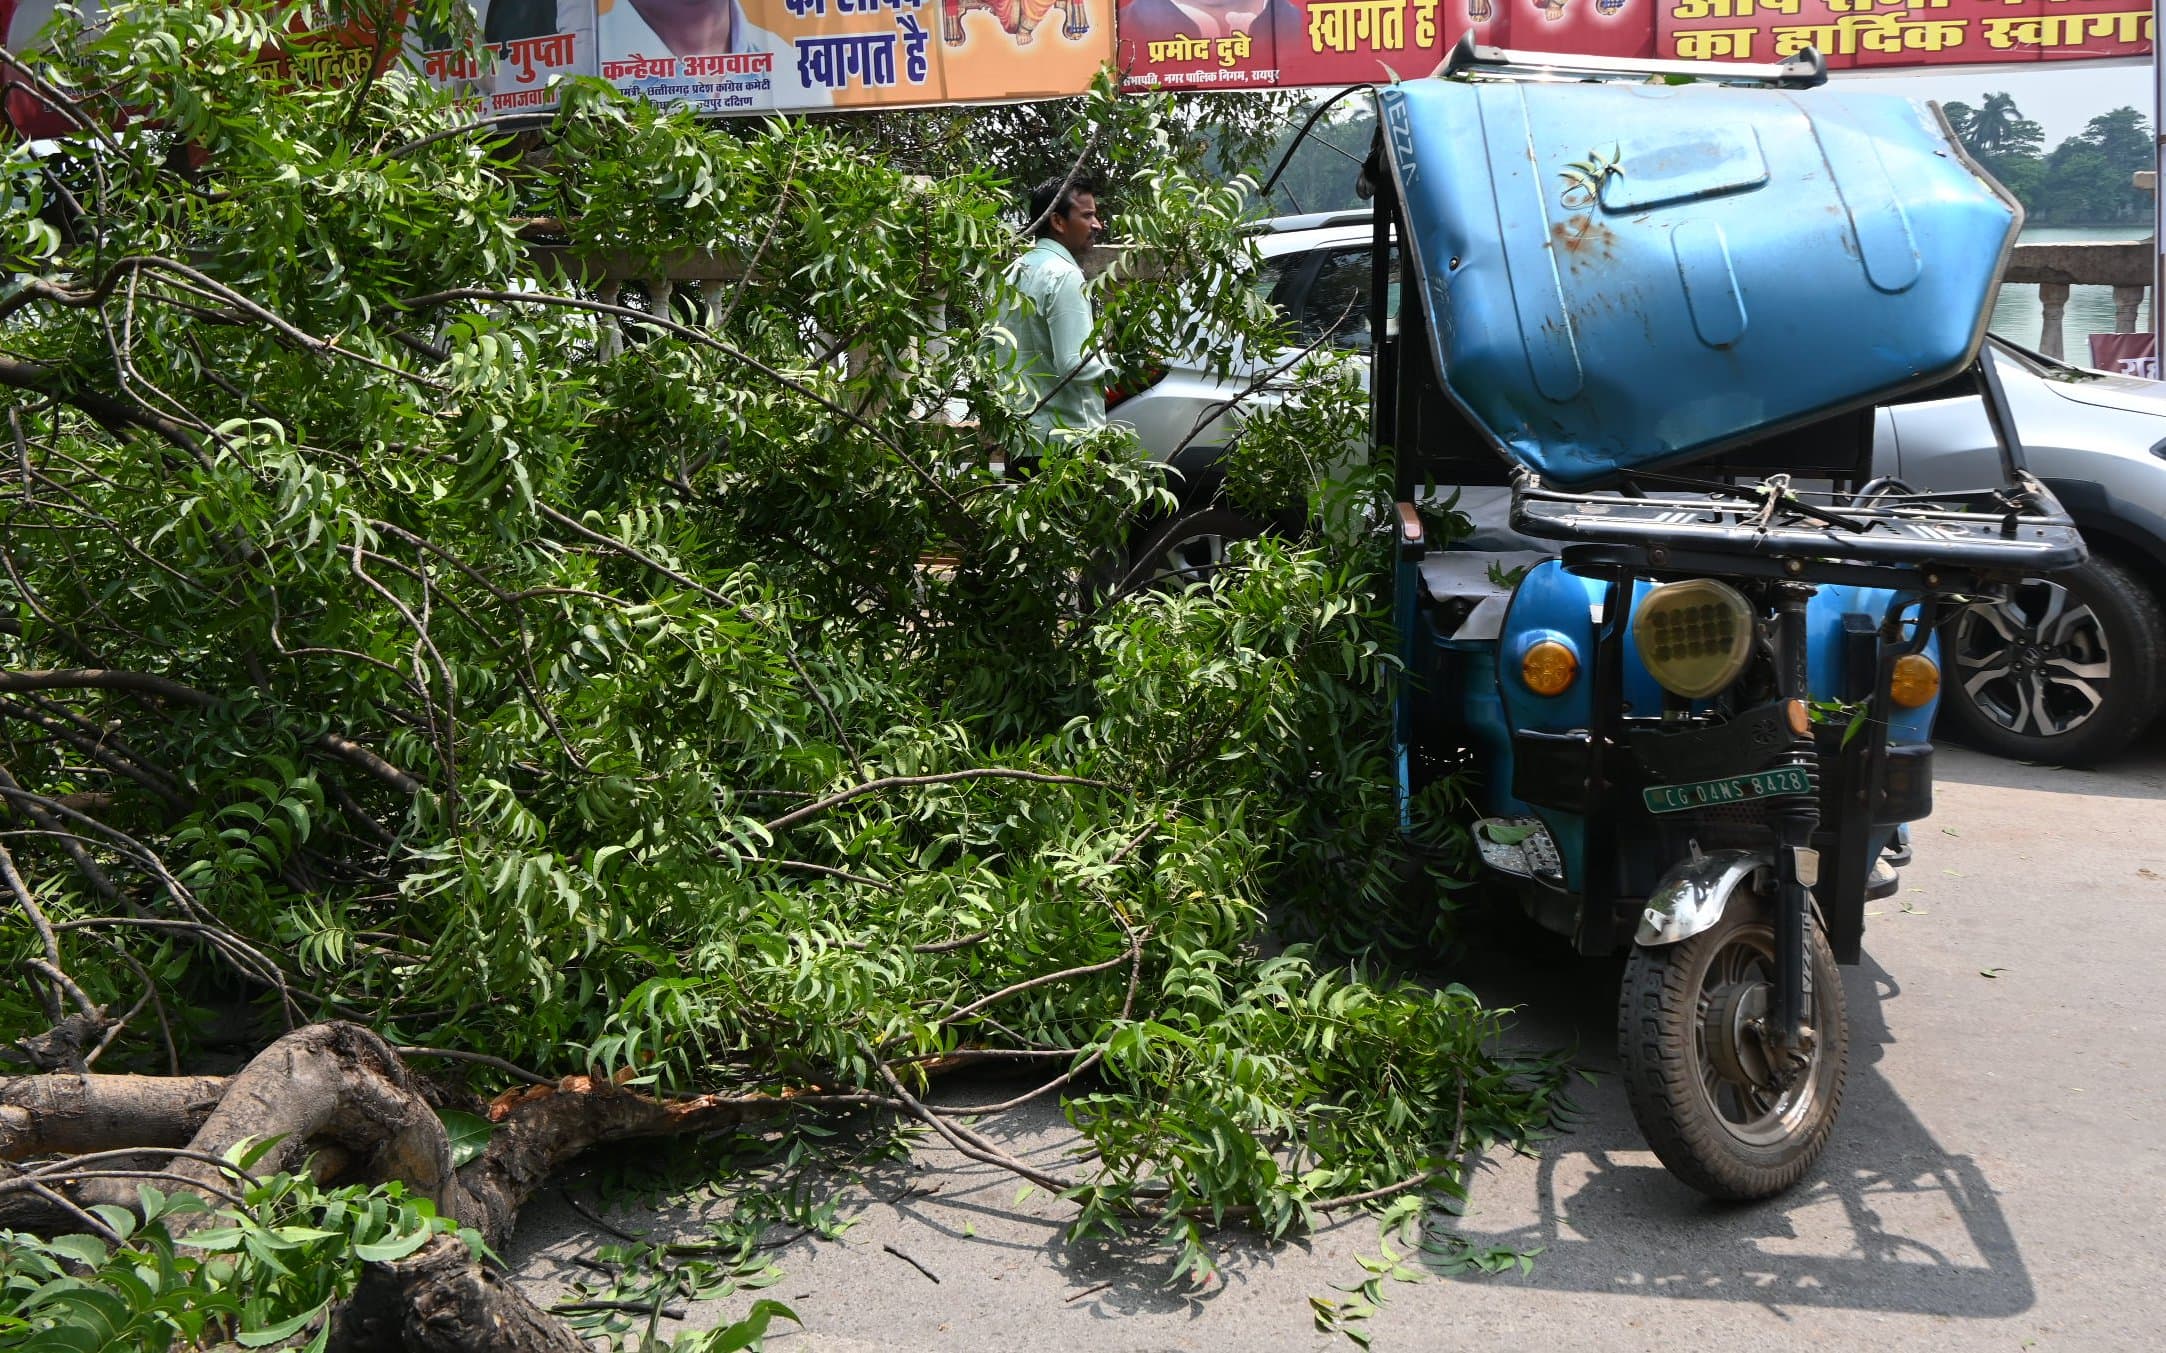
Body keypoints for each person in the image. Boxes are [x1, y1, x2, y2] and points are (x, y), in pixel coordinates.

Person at [991, 176, 1110, 443]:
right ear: (1058, 221)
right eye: (1087, 215)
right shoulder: (1064, 276)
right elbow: (1074, 364)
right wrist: (1121, 366)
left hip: (1021, 440)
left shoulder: (1012, 272)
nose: (1097, 225)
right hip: (1067, 444)